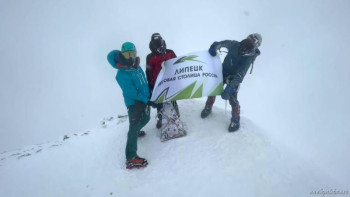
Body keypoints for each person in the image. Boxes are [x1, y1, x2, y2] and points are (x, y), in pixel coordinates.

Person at [201, 33, 262, 132]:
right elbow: (222, 43)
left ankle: (235, 120)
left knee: (233, 99)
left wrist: (229, 88)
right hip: (223, 72)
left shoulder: (249, 58)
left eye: (252, 42)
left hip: (234, 78)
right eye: (250, 40)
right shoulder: (234, 45)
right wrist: (215, 45)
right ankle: (208, 107)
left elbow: (240, 75)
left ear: (255, 45)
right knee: (213, 90)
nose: (249, 43)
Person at [107, 42, 150, 169]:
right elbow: (130, 91)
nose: (130, 56)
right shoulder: (121, 74)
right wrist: (145, 99)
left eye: (132, 53)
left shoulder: (137, 66)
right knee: (134, 125)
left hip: (144, 99)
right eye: (127, 54)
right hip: (133, 102)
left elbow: (143, 82)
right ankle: (131, 158)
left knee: (146, 118)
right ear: (122, 55)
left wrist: (148, 95)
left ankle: (134, 132)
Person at [146, 33, 179, 128]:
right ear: (152, 46)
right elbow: (148, 72)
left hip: (171, 82)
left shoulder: (170, 53)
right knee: (160, 103)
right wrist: (151, 86)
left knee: (173, 100)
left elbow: (178, 65)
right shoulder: (150, 57)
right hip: (158, 84)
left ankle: (176, 116)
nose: (160, 49)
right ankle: (161, 119)